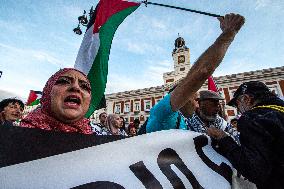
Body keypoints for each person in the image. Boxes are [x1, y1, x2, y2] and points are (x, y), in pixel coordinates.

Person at [146, 13, 245, 133]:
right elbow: (203, 71)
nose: (198, 104)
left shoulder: (188, 120)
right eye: (195, 98)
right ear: (182, 96)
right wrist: (229, 33)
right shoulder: (163, 113)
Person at [207, 81, 284, 188]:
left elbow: (254, 170)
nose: (237, 109)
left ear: (247, 99)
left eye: (237, 104)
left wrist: (223, 138)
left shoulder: (252, 117)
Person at [20, 68, 93, 134]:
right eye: (64, 81)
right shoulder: (19, 135)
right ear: (48, 92)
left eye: (84, 86)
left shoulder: (98, 141)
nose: (76, 87)